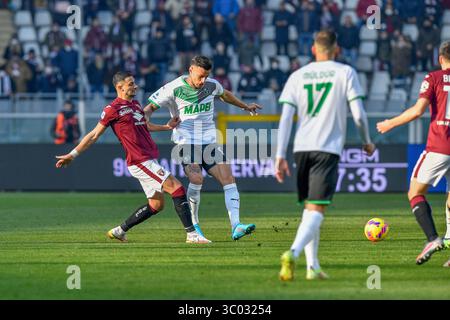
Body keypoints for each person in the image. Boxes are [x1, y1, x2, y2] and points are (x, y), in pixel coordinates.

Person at [55, 71, 210, 244]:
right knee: (177, 188)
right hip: (139, 160)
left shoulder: (136, 104)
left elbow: (145, 125)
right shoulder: (112, 109)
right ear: (119, 87)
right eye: (130, 84)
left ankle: (120, 231)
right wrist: (72, 154)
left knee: (156, 205)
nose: (135, 86)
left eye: (134, 83)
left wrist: (167, 127)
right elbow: (93, 135)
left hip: (149, 158)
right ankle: (192, 234)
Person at [275, 30, 375, 281]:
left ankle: (313, 267)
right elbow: (359, 114)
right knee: (317, 209)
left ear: (313, 49)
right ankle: (292, 253)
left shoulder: (298, 75)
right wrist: (366, 141)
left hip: (301, 148)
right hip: (326, 147)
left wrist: (279, 154)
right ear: (337, 49)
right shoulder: (345, 72)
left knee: (310, 207)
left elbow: (286, 117)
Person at [145, 56, 261, 241]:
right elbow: (149, 108)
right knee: (196, 178)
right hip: (185, 142)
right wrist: (141, 121)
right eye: (200, 76)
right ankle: (195, 227)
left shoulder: (212, 85)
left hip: (208, 142)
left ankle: (236, 226)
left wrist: (245, 106)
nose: (203, 81)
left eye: (206, 76)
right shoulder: (173, 87)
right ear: (191, 70)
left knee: (228, 178)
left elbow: (225, 94)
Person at [377, 41, 450, 266]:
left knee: (415, 192)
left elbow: (418, 110)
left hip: (440, 144)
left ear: (440, 58)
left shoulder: (434, 77)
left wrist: (390, 123)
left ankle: (432, 239)